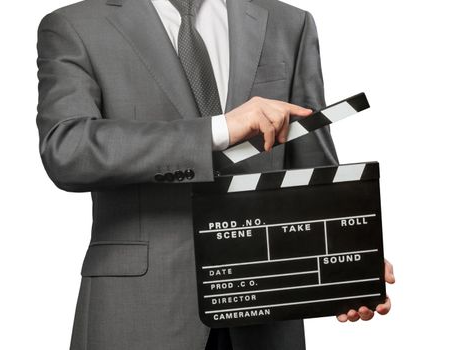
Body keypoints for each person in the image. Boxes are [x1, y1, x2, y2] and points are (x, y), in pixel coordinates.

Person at [35, 0, 394, 349]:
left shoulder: (290, 23)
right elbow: (67, 149)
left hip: (265, 308)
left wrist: (349, 260)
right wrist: (218, 130)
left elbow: (312, 166)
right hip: (139, 310)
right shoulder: (76, 25)